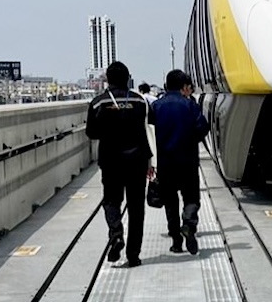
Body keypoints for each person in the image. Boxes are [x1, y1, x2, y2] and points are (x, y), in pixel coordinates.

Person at [86, 61, 155, 267]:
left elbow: (92, 133)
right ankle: (133, 255)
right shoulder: (140, 101)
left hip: (111, 161)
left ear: (107, 79)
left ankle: (116, 234)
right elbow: (149, 130)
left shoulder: (98, 103)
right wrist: (151, 160)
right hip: (137, 161)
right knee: (136, 208)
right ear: (128, 78)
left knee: (111, 201)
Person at [153, 70, 210, 254]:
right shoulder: (190, 105)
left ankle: (176, 242)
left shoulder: (156, 106)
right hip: (188, 161)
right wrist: (192, 140)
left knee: (170, 202)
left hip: (164, 163)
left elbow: (149, 133)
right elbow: (203, 127)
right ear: (182, 86)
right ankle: (188, 224)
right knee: (191, 197)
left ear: (166, 84)